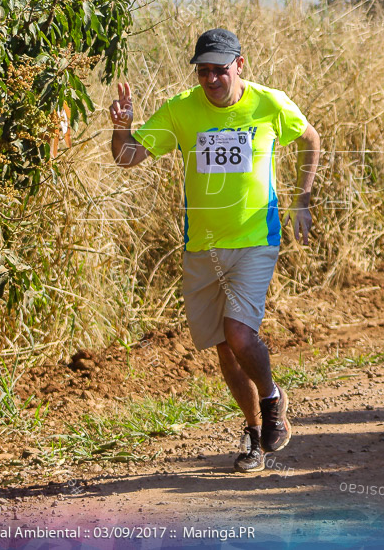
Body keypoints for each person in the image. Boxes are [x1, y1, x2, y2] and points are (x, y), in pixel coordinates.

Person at [109, 28, 321, 472]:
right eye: (203, 71)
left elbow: (310, 139)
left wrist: (303, 198)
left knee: (240, 333)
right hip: (201, 247)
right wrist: (122, 127)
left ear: (239, 65)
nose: (210, 80)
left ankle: (271, 399)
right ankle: (253, 433)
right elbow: (128, 158)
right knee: (226, 348)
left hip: (254, 240)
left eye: (219, 71)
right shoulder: (181, 110)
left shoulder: (269, 103)